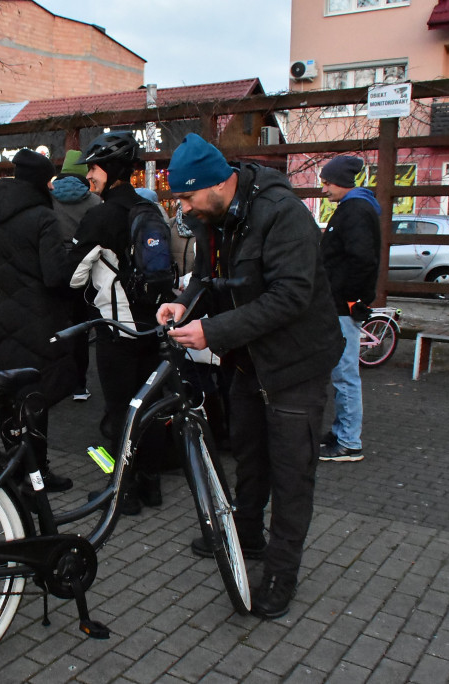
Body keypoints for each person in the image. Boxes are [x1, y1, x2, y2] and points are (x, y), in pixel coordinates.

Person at [156, 133, 342, 619]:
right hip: (247, 360)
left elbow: (291, 296)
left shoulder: (282, 214)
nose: (185, 208)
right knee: (251, 457)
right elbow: (206, 276)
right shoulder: (212, 217)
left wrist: (213, 331)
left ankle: (282, 572)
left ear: (220, 183)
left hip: (295, 364)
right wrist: (185, 302)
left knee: (291, 472)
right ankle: (249, 536)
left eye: (188, 196)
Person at [68, 131, 168, 515]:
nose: (89, 177)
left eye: (92, 169)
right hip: (152, 323)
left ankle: (120, 492)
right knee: (150, 407)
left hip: (116, 329)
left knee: (118, 413)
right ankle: (151, 486)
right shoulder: (149, 211)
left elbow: (73, 276)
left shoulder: (100, 216)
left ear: (108, 171)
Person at [0, 149, 75, 492]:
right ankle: (36, 473)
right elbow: (55, 275)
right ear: (41, 181)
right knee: (39, 395)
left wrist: (11, 285)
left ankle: (15, 464)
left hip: (8, 319)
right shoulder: (44, 217)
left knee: (12, 393)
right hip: (42, 319)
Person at [318, 155, 381, 463]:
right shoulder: (353, 208)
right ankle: (341, 431)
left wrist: (354, 299)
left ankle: (349, 442)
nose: (324, 189)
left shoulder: (354, 211)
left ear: (342, 182)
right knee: (342, 372)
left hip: (343, 306)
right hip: (341, 303)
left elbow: (362, 260)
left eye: (327, 183)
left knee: (345, 375)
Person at [51, 150, 102, 401]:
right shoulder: (94, 203)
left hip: (57, 269)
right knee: (82, 330)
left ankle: (59, 381)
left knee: (59, 327)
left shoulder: (48, 200)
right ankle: (80, 386)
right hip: (86, 273)